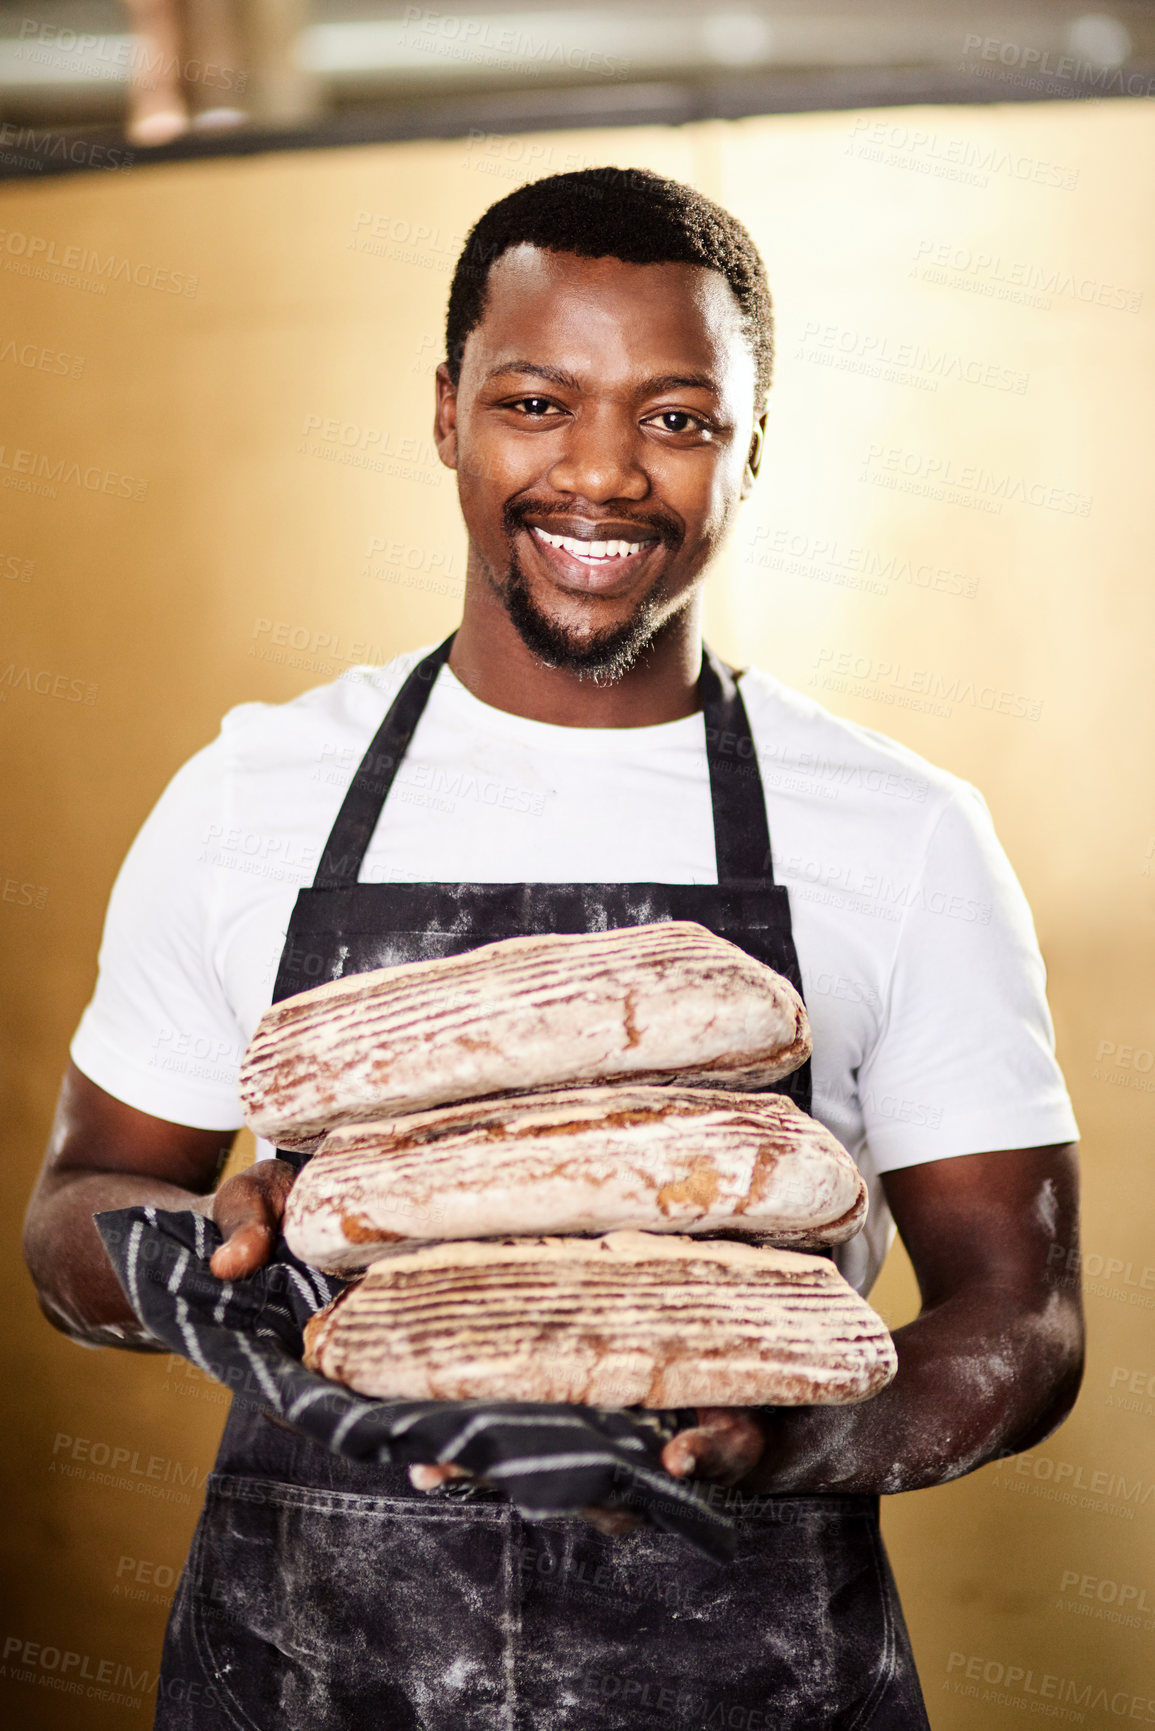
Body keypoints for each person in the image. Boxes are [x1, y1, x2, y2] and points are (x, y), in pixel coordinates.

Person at [23, 168, 1083, 1730]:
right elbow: (72, 1213)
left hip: (751, 1682)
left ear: (751, 442)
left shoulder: (902, 832)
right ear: (447, 412)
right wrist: (206, 1265)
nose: (602, 475)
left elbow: (1027, 1316)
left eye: (676, 418)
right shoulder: (257, 791)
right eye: (537, 401)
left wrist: (789, 1435)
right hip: (307, 1681)